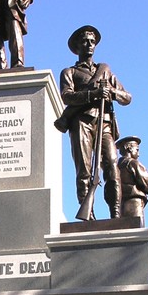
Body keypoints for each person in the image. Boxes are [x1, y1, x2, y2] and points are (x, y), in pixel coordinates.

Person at [58, 26, 131, 220]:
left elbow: (127, 97)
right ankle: (87, 213)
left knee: (112, 168)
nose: (89, 45)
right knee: (84, 169)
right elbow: (66, 96)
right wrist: (93, 94)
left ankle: (115, 214)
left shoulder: (105, 72)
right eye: (85, 41)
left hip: (104, 124)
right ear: (77, 46)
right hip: (81, 122)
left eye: (92, 42)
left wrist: (112, 93)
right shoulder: (69, 72)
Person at [116, 136, 148, 223]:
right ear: (129, 148)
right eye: (137, 149)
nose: (138, 153)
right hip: (135, 202)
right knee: (136, 226)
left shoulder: (116, 166)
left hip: (120, 205)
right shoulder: (133, 163)